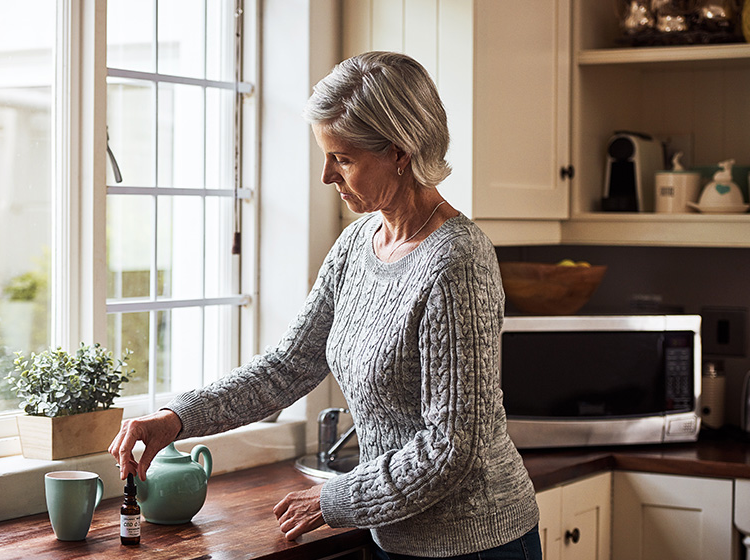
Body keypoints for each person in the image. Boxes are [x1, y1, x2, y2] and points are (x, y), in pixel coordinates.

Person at [109, 51, 541, 559]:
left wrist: (333, 499)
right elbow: (288, 367)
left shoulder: (457, 262)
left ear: (400, 152)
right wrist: (176, 417)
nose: (326, 176)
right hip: (393, 532)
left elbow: (451, 447)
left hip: (477, 542)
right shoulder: (358, 244)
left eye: (343, 158)